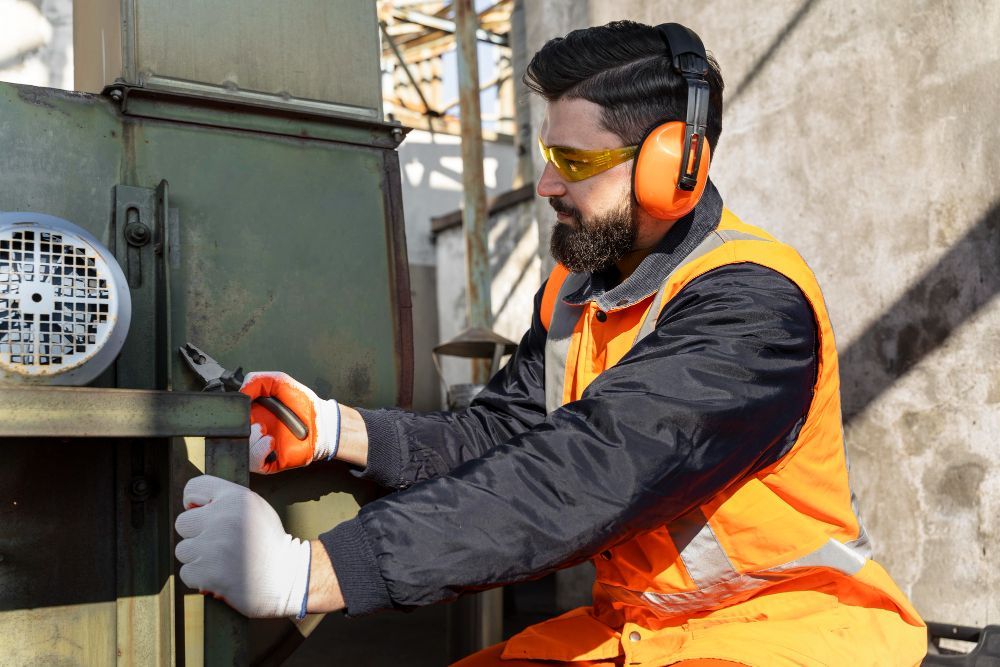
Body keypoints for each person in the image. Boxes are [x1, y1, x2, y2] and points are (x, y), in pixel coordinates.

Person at [174, 20, 927, 666]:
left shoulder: (753, 308)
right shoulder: (577, 292)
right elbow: (500, 433)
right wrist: (336, 428)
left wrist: (309, 571)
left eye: (573, 162)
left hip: (786, 633)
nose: (544, 184)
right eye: (546, 154)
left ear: (675, 168)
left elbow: (581, 472)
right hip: (642, 634)